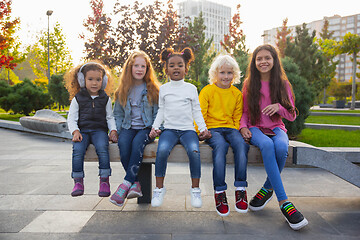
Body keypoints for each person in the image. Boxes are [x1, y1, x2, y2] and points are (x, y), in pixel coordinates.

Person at [240, 44, 308, 230]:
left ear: (274, 60)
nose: (263, 62)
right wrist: (243, 127)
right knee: (267, 146)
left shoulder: (283, 84)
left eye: (267, 58)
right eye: (259, 58)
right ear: (254, 62)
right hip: (255, 127)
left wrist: (279, 108)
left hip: (277, 127)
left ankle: (266, 189)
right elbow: (244, 111)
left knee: (280, 147)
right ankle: (284, 202)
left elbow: (292, 115)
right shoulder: (248, 84)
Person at [149, 47, 211, 208]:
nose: (176, 68)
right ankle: (159, 189)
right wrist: (155, 127)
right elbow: (161, 111)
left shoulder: (191, 89)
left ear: (186, 68)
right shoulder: (164, 89)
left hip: (188, 131)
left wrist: (203, 128)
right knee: (161, 151)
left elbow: (196, 110)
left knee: (194, 151)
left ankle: (195, 190)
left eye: (180, 65)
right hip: (169, 130)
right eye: (172, 65)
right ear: (166, 69)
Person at [199, 55, 249, 216]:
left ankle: (240, 189)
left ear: (234, 74)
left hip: (231, 128)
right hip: (212, 129)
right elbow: (200, 114)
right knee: (220, 147)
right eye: (222, 73)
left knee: (241, 145)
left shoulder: (236, 93)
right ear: (215, 74)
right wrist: (201, 130)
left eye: (229, 73)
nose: (226, 76)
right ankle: (220, 192)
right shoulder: (208, 91)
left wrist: (235, 131)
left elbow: (237, 116)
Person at [110, 50, 160, 207]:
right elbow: (117, 114)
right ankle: (135, 183)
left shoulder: (153, 89)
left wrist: (157, 128)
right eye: (136, 65)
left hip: (147, 128)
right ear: (129, 68)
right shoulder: (122, 91)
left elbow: (160, 112)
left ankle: (125, 184)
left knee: (138, 143)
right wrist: (116, 131)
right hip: (128, 127)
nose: (139, 69)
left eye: (143, 66)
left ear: (147, 69)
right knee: (124, 145)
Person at [65, 60, 118, 198]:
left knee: (102, 148)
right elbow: (72, 118)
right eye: (90, 79)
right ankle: (78, 181)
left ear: (104, 81)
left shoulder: (105, 98)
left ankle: (104, 181)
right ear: (82, 80)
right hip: (82, 131)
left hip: (99, 131)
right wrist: (75, 131)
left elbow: (110, 117)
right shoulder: (78, 98)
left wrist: (113, 130)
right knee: (77, 150)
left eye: (98, 79)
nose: (94, 83)